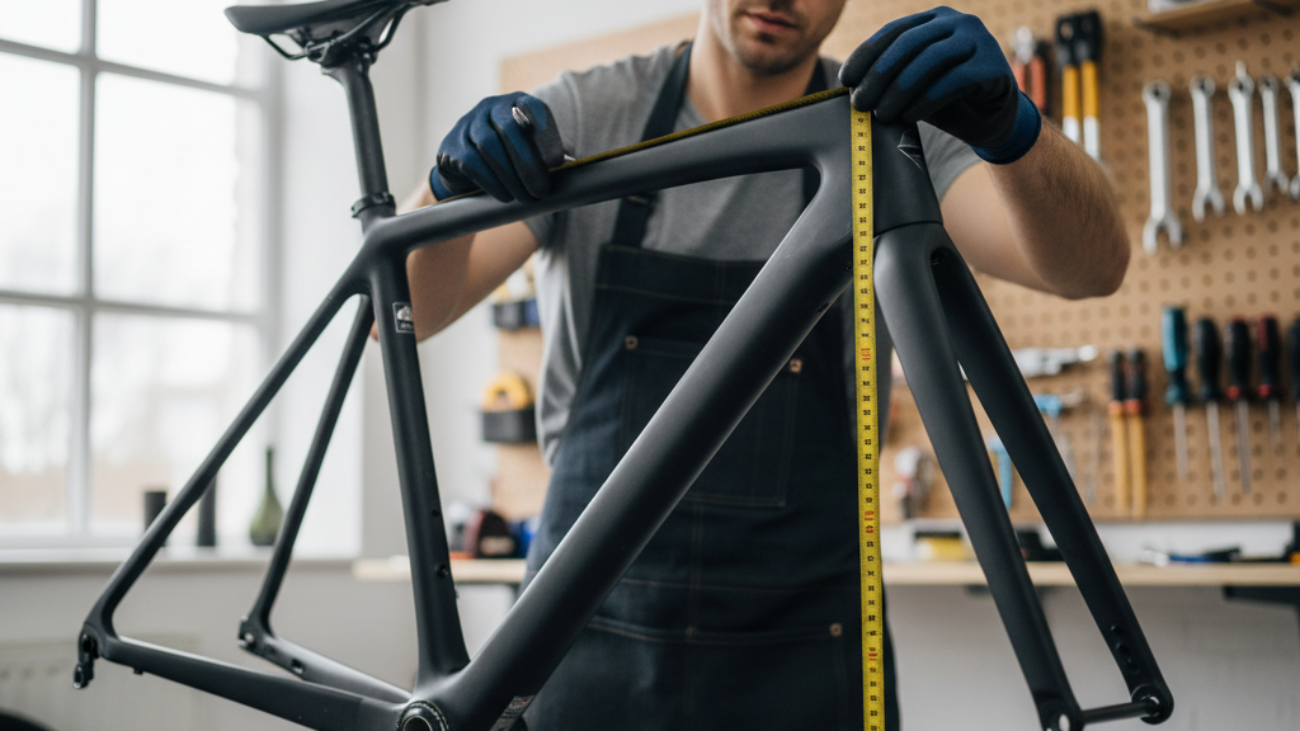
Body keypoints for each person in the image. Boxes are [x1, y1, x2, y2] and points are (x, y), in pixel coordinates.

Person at [403, 2, 1129, 729]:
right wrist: (445, 194)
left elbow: (1092, 269)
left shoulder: (886, 128)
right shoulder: (592, 117)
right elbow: (398, 317)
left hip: (806, 637)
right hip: (585, 631)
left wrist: (1013, 131)